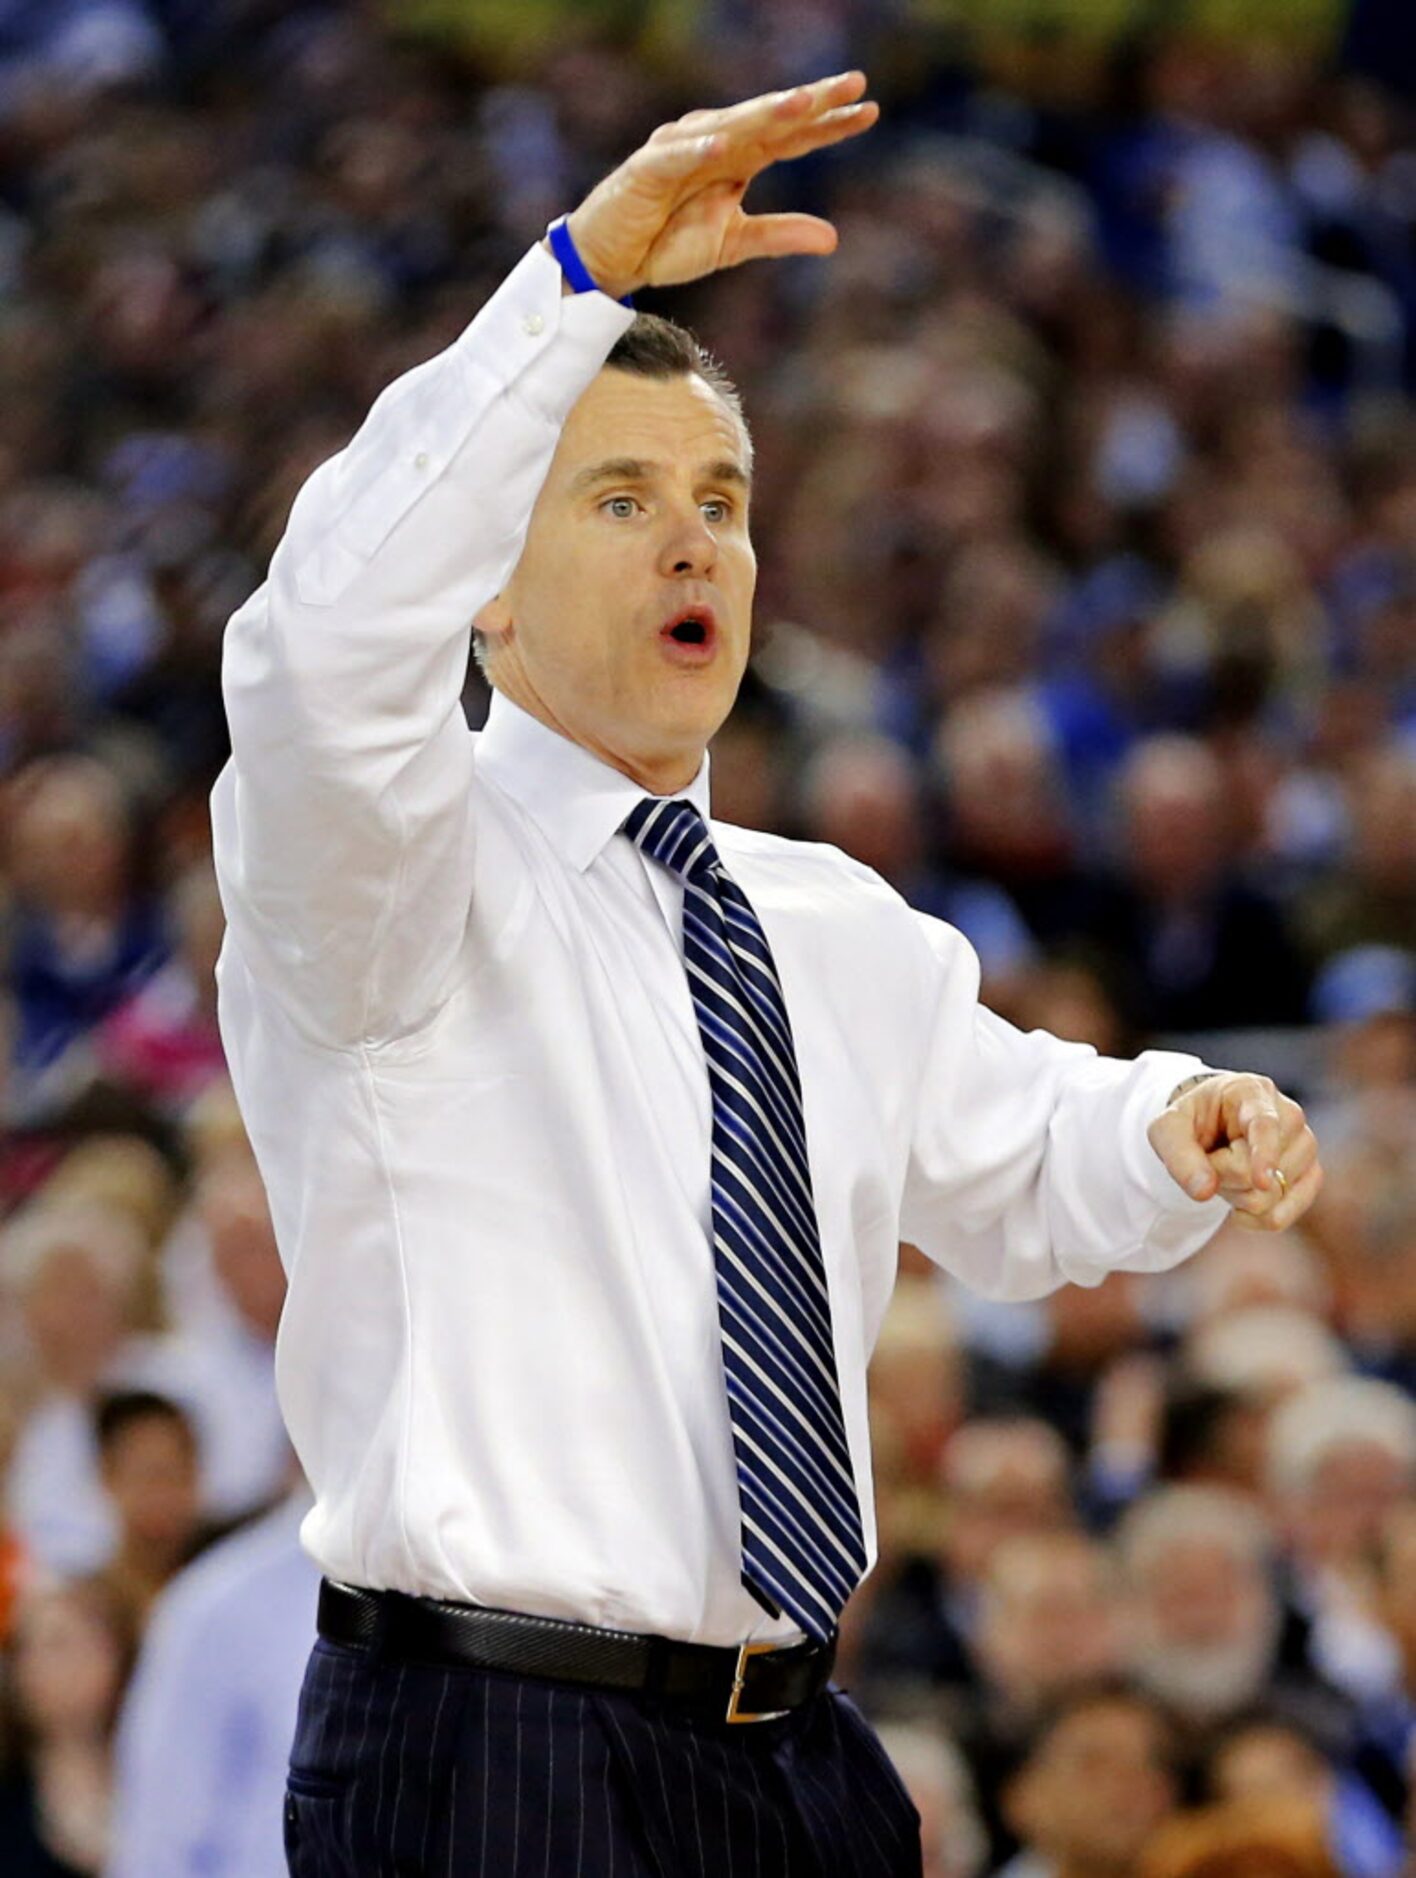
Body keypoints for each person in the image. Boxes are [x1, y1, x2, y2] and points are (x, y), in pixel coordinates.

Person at [210, 71, 1323, 1876]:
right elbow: (318, 651)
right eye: (621, 496)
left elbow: (1022, 1142)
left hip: (797, 1749)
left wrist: (1175, 1117)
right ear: (485, 585)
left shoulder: (825, 920)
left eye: (720, 498)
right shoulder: (393, 876)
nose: (692, 538)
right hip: (496, 1750)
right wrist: (573, 281)